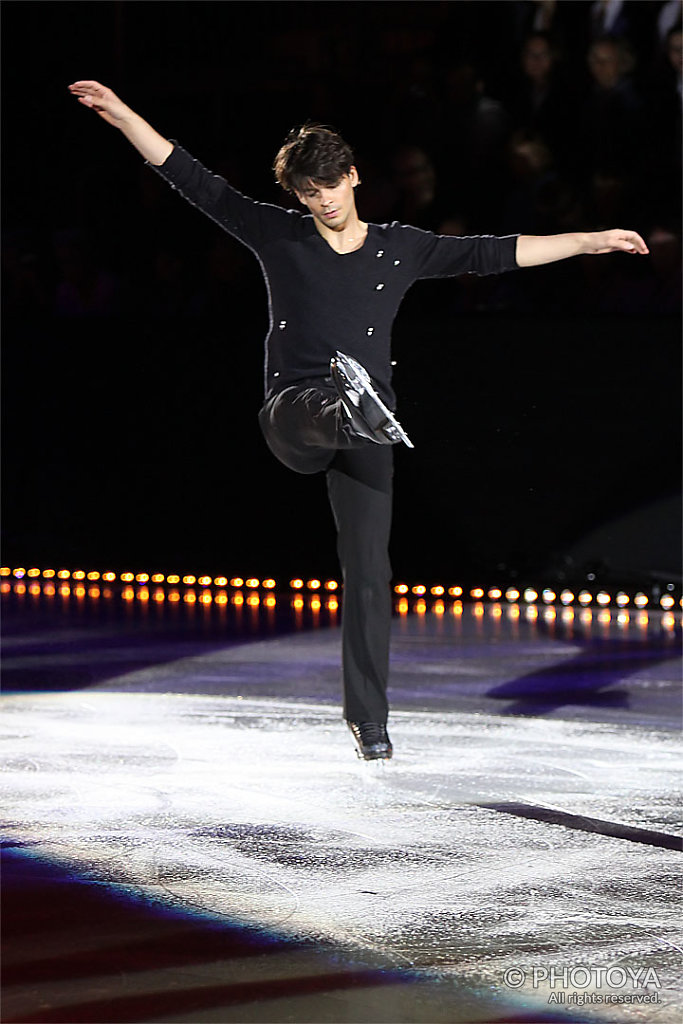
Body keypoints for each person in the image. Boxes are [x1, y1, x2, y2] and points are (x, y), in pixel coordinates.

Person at [68, 80, 648, 761]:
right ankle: (350, 404)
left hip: (368, 431)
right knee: (323, 408)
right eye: (308, 195)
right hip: (293, 411)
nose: (321, 203)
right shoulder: (277, 233)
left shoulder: (399, 248)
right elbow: (192, 178)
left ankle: (368, 719)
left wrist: (586, 240)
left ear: (352, 176)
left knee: (368, 568)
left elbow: (490, 252)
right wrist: (122, 115)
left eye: (329, 189)